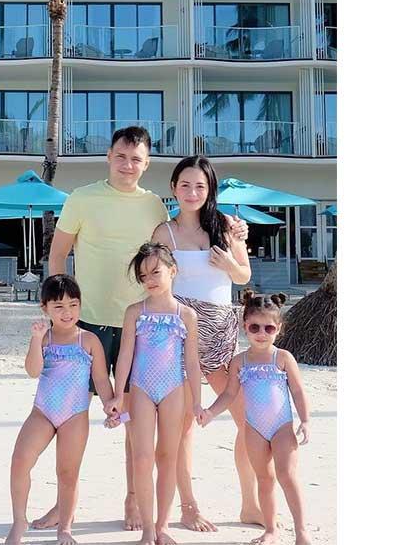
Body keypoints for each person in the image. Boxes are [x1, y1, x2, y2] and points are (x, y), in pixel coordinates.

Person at [34, 126, 248, 531]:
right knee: (72, 417)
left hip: (144, 326)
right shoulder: (82, 198)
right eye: (121, 156)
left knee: (134, 418)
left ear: (146, 164)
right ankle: (65, 506)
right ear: (109, 156)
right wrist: (59, 312)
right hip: (89, 322)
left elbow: (183, 246)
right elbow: (59, 253)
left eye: (136, 159)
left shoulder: (155, 209)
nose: (127, 164)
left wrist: (238, 232)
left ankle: (134, 500)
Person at [151, 155, 259, 531]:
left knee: (250, 421)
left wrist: (228, 263)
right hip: (179, 335)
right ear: (174, 189)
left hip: (221, 331)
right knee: (181, 428)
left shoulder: (228, 226)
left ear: (210, 188)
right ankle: (188, 506)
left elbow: (244, 275)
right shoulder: (164, 232)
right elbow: (154, 280)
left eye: (200, 185)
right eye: (185, 185)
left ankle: (250, 504)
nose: (193, 192)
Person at [5, 274, 118, 545]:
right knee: (20, 461)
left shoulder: (89, 340)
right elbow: (33, 371)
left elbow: (101, 379)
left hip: (75, 414)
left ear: (80, 306)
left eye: (73, 305)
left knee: (68, 472)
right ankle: (19, 520)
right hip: (42, 412)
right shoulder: (45, 338)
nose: (67, 312)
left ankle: (65, 527)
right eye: (58, 307)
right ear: (45, 308)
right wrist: (35, 339)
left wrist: (110, 404)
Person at [104, 243, 203, 545]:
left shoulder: (186, 314)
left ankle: (162, 526)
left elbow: (192, 362)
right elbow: (125, 356)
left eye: (156, 272)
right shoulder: (135, 312)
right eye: (144, 275)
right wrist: (118, 394)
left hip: (174, 389)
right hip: (142, 389)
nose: (150, 279)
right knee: (142, 456)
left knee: (167, 457)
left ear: (173, 271)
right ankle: (147, 527)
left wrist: (198, 401)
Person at [199, 292, 312, 545]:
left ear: (278, 328)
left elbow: (298, 391)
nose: (262, 333)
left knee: (287, 475)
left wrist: (304, 420)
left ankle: (301, 530)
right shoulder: (239, 361)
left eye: (269, 327)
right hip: (254, 429)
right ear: (244, 326)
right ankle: (270, 529)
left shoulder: (282, 358)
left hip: (282, 426)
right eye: (254, 327)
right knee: (264, 478)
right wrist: (210, 412)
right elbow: (229, 394)